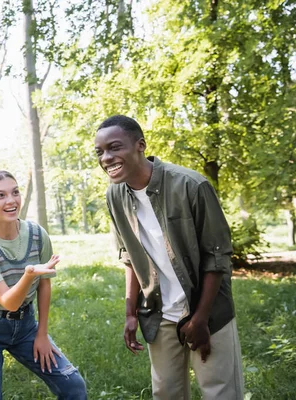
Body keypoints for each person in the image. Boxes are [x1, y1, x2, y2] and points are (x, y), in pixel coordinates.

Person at [94, 115, 244, 399]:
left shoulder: (191, 185)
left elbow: (218, 258)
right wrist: (130, 312)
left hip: (208, 310)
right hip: (159, 310)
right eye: (100, 152)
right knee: (166, 392)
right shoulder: (115, 195)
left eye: (114, 147)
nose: (106, 158)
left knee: (220, 391)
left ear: (140, 145)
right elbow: (129, 256)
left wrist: (200, 319)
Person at [0, 170, 87, 400]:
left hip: (27, 326)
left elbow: (45, 285)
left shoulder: (38, 235)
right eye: (0, 195)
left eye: (15, 192)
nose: (11, 201)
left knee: (73, 387)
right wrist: (29, 273)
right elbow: (8, 302)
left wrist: (42, 334)